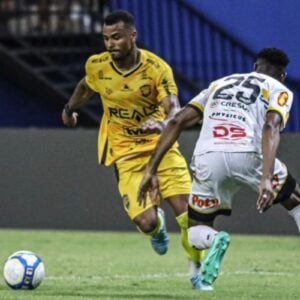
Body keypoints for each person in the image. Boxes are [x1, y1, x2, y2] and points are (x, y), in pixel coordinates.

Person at [61, 10, 208, 290]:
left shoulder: (156, 68)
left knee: (188, 213)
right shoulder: (97, 66)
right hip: (125, 154)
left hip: (160, 149)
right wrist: (69, 109)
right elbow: (85, 86)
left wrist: (162, 122)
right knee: (146, 221)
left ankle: (196, 270)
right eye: (106, 38)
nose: (110, 43)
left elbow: (174, 109)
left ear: (132, 36)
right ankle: (156, 227)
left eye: (116, 37)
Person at [138, 48, 300, 290]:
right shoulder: (280, 89)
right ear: (283, 75)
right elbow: (271, 126)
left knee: (195, 230)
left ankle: (214, 240)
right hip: (248, 154)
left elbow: (176, 121)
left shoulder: (219, 84)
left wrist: (151, 169)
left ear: (255, 67)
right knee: (296, 201)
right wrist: (266, 178)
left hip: (208, 158)